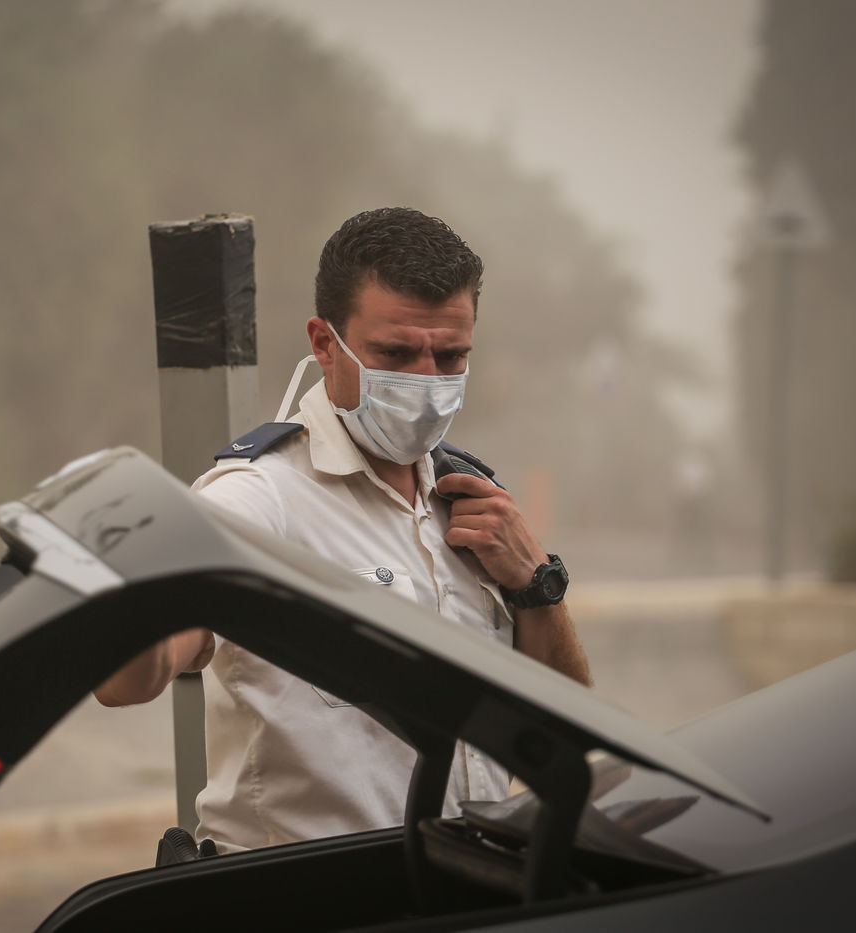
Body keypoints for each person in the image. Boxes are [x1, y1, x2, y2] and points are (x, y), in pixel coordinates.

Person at [94, 207, 591, 853]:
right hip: (312, 896)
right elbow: (130, 677)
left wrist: (536, 585)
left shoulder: (471, 504)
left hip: (469, 889)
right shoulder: (258, 498)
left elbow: (565, 733)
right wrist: (125, 605)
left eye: (451, 355)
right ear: (326, 344)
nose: (427, 381)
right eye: (396, 353)